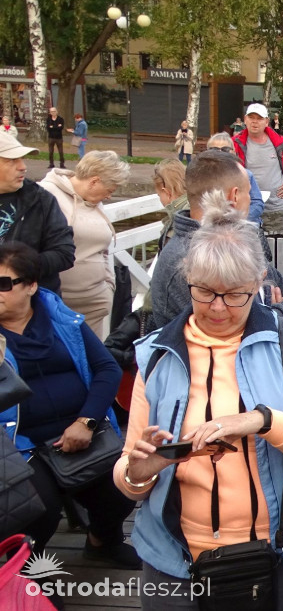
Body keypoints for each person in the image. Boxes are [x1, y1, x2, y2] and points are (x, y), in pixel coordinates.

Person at [115, 193, 283, 608]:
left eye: (235, 294)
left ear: (260, 283)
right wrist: (139, 473)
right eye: (204, 292)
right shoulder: (155, 353)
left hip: (271, 552)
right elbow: (130, 474)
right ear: (188, 281)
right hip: (172, 556)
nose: (217, 308)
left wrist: (263, 420)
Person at [0, 243, 139, 570]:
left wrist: (87, 421)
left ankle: (103, 542)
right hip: (19, 444)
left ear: (32, 285)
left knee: (124, 484)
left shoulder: (61, 319)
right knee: (38, 507)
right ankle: (29, 569)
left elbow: (106, 368)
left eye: (5, 283)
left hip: (80, 431)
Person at [150, 150, 283, 328]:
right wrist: (272, 312)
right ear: (234, 197)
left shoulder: (240, 243)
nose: (251, 200)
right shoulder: (183, 261)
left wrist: (271, 313)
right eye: (249, 192)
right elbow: (231, 334)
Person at [39, 151, 130, 339]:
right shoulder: (46, 194)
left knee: (93, 364)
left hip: (95, 304)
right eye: (110, 191)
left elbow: (103, 250)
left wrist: (108, 286)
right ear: (94, 181)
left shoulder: (94, 201)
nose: (109, 197)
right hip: (59, 304)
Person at [0, 132, 74, 293]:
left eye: (22, 159)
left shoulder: (40, 199)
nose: (23, 167)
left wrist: (16, 268)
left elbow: (64, 253)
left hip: (29, 308)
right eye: (12, 160)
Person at [232, 102, 283, 234]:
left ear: (267, 121)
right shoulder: (234, 143)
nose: (255, 122)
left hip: (276, 210)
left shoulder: (281, 143)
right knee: (248, 252)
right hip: (247, 210)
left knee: (278, 251)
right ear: (245, 120)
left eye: (259, 118)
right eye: (251, 118)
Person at [206, 131, 266, 225]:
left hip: (244, 225)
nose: (220, 153)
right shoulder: (202, 177)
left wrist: (237, 220)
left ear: (233, 152)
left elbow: (257, 204)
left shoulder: (246, 175)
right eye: (214, 150)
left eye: (225, 149)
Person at [153, 158, 187, 249]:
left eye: (159, 195)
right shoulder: (195, 205)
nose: (160, 199)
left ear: (167, 192)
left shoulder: (179, 218)